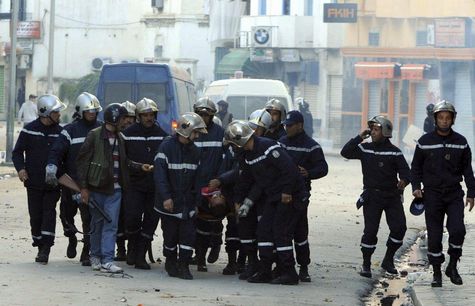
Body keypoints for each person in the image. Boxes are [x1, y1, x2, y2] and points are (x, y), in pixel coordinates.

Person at [226, 120, 308, 285]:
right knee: (263, 231)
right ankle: (264, 271)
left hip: (291, 196)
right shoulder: (247, 156)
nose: (232, 147)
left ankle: (289, 272)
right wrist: (243, 201)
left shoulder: (267, 147)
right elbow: (250, 181)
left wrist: (286, 191)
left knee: (281, 232)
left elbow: (289, 169)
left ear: (240, 141)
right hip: (274, 196)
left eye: (233, 143)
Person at [411, 100, 475, 287]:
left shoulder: (461, 142)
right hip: (432, 195)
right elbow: (415, 168)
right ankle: (437, 273)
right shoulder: (424, 142)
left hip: (454, 194)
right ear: (435, 119)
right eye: (441, 118)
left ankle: (452, 266)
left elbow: (468, 170)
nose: (444, 121)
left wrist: (472, 192)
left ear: (452, 119)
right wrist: (415, 186)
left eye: (448, 118)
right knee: (435, 235)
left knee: (458, 230)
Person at [340, 115, 410, 278]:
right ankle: (366, 264)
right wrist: (359, 137)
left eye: (376, 129)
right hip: (372, 196)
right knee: (370, 231)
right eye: (371, 129)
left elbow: (406, 172)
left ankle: (388, 259)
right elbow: (345, 152)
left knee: (399, 228)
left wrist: (404, 181)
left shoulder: (395, 152)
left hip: (392, 196)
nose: (372, 132)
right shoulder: (365, 149)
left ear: (385, 131)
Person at [46, 92, 102, 266]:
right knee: (66, 215)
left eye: (94, 111)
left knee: (88, 219)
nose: (91, 114)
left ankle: (87, 251)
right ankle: (71, 237)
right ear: (80, 111)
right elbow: (56, 150)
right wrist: (52, 166)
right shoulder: (70, 130)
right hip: (71, 182)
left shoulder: (101, 129)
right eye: (88, 111)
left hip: (91, 182)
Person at [75, 103, 129, 273]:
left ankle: (107, 259)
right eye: (122, 119)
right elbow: (82, 162)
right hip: (96, 188)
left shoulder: (121, 138)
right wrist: (83, 188)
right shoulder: (94, 135)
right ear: (114, 119)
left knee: (111, 224)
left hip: (115, 190)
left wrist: (139, 166)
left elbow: (123, 163)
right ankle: (95, 256)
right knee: (96, 224)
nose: (125, 122)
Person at [12, 94, 66, 264]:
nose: (59, 115)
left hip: (53, 183)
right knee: (35, 216)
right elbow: (17, 152)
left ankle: (46, 249)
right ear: (46, 113)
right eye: (56, 112)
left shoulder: (61, 132)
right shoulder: (29, 130)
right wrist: (21, 169)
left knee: (49, 213)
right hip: (33, 182)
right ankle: (38, 241)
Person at [154, 112, 207, 280]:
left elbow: (199, 180)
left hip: (188, 204)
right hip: (170, 202)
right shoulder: (166, 147)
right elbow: (160, 175)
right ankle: (170, 262)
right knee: (170, 236)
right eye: (195, 132)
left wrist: (197, 202)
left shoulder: (196, 152)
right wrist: (166, 197)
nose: (197, 136)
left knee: (188, 236)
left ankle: (184, 265)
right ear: (186, 130)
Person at [279, 110, 328, 282]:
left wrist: (309, 173)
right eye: (285, 125)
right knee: (281, 231)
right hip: (282, 193)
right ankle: (283, 266)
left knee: (300, 233)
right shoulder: (282, 142)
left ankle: (304, 267)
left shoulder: (312, 146)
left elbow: (323, 168)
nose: (287, 128)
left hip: (300, 195)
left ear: (300, 125)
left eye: (290, 125)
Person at [120, 98, 168, 270]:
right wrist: (138, 167)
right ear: (138, 116)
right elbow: (121, 160)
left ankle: (140, 255)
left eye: (151, 114)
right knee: (132, 218)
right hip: (134, 184)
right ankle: (132, 247)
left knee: (151, 220)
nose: (148, 118)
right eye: (145, 115)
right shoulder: (127, 134)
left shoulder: (162, 135)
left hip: (154, 186)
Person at [192, 97, 226, 272]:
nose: (203, 117)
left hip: (215, 185)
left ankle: (216, 244)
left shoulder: (220, 132)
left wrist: (219, 179)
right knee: (199, 223)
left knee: (217, 218)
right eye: (200, 114)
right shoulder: (191, 130)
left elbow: (226, 159)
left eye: (207, 114)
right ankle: (200, 259)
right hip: (195, 184)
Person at [114, 100, 137, 261]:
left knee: (132, 217)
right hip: (116, 182)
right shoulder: (113, 135)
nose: (128, 120)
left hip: (134, 183)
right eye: (125, 117)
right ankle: (120, 249)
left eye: (131, 117)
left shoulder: (138, 135)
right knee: (117, 217)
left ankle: (132, 249)